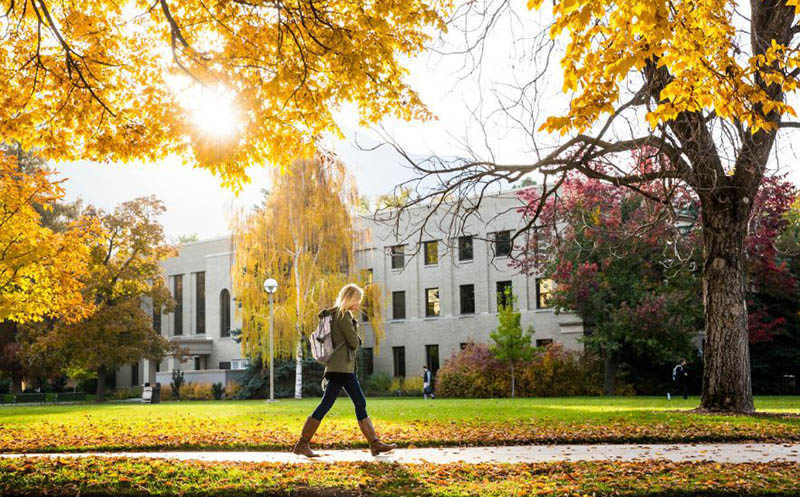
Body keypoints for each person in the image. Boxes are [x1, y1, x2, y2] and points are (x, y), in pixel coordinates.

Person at [293, 283, 396, 458]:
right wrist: (357, 338)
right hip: (341, 369)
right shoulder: (342, 315)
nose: (359, 304)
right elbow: (354, 343)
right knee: (351, 403)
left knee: (344, 403)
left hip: (340, 367)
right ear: (350, 299)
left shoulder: (336, 315)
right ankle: (302, 444)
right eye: (358, 300)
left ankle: (374, 444)